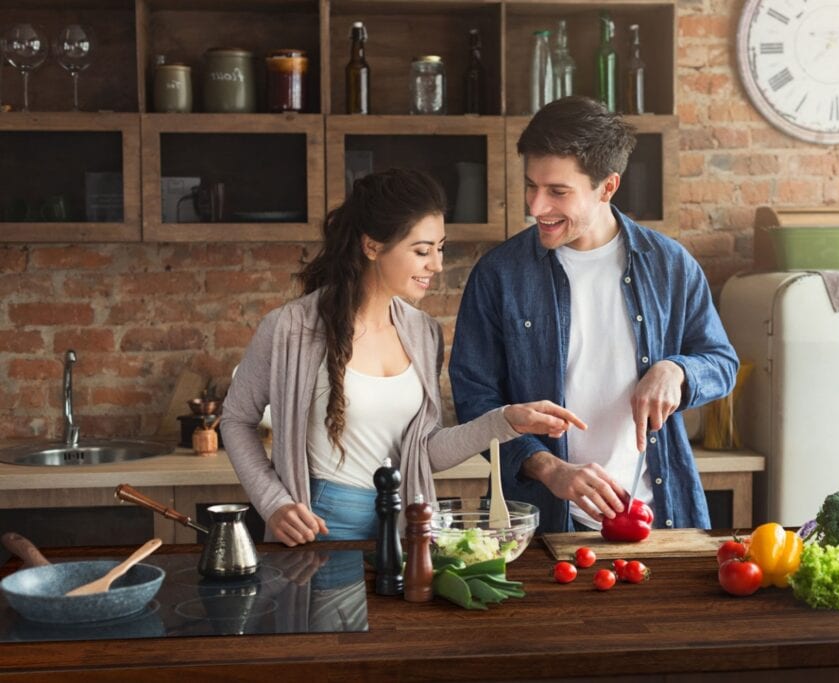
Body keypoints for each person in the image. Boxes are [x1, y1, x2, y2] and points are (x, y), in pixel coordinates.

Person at [221, 168, 585, 546]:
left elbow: (424, 451)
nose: (437, 265)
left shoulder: (423, 332)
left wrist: (506, 420)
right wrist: (273, 502)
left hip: (406, 525)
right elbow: (236, 420)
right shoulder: (290, 328)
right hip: (322, 526)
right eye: (422, 251)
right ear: (373, 246)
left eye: (440, 248)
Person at [449, 96, 738, 534]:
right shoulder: (499, 275)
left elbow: (721, 363)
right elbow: (475, 400)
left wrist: (676, 370)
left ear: (607, 187)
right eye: (531, 185)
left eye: (558, 192)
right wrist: (548, 467)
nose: (536, 206)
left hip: (657, 518)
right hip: (539, 527)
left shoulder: (670, 266)